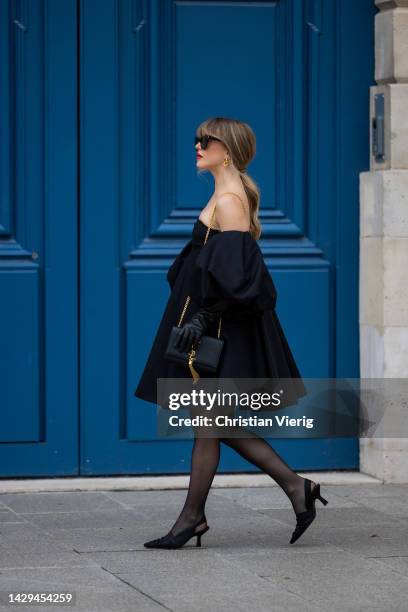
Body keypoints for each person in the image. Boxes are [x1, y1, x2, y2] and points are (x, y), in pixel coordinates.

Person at [134, 117, 328, 549]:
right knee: (214, 421)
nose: (198, 146)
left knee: (209, 422)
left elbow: (243, 279)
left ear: (229, 150)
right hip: (206, 325)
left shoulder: (229, 201)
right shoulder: (222, 195)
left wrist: (203, 318)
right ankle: (295, 489)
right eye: (198, 139)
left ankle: (193, 518)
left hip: (218, 331)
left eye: (207, 141)